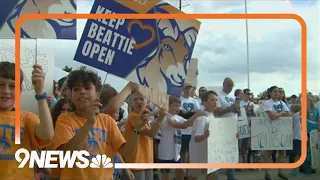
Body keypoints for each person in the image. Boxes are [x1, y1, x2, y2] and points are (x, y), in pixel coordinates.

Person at [51, 67, 149, 180]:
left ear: (97, 95)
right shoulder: (65, 119)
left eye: (87, 88)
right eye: (76, 89)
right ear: (71, 95)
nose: (82, 92)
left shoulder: (107, 121)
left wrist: (136, 130)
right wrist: (89, 123)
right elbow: (68, 155)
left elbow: (125, 153)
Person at [0, 62, 54, 179]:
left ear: (20, 91)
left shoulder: (26, 118)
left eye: (12, 86)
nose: (6, 90)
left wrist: (40, 92)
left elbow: (47, 135)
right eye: (1, 85)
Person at [158, 96, 205, 180]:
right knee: (166, 175)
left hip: (175, 151)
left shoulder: (177, 117)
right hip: (166, 152)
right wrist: (196, 115)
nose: (178, 108)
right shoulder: (166, 117)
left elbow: (189, 123)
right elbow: (182, 126)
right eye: (175, 105)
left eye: (179, 106)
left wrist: (201, 118)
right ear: (168, 106)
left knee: (182, 171)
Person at [263, 86, 291, 180]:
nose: (277, 93)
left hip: (281, 130)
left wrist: (278, 114)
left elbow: (288, 114)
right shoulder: (267, 103)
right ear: (270, 93)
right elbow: (272, 116)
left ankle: (280, 171)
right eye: (275, 91)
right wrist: (281, 114)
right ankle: (267, 173)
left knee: (281, 152)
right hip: (270, 130)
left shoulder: (282, 103)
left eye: (278, 91)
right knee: (269, 152)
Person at [213, 77, 239, 180]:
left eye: (232, 86)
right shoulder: (219, 96)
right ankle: (216, 176)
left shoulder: (232, 97)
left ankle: (231, 176)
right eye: (229, 85)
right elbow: (217, 111)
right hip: (222, 128)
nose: (231, 88)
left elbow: (234, 113)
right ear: (224, 84)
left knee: (231, 152)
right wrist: (230, 108)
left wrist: (237, 110)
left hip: (232, 128)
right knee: (220, 153)